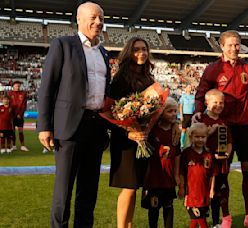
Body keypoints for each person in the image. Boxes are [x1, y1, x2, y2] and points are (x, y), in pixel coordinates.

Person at [37, 2, 111, 227]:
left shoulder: (104, 53)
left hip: (96, 128)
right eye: (93, 17)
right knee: (63, 192)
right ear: (79, 19)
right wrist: (44, 126)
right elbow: (47, 86)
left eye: (101, 18)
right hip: (69, 128)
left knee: (88, 193)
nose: (98, 22)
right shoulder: (63, 45)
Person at [194, 30, 248, 228]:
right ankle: (226, 218)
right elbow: (201, 94)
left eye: (237, 45)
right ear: (222, 46)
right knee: (222, 173)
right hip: (222, 128)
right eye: (230, 45)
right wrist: (199, 112)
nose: (234, 48)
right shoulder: (212, 69)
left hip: (244, 127)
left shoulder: (247, 69)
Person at [108, 36, 155, 228]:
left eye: (144, 49)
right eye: (136, 49)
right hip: (125, 140)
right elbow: (112, 111)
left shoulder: (148, 78)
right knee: (128, 188)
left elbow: (154, 107)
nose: (141, 53)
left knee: (135, 187)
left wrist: (145, 129)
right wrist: (129, 132)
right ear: (129, 52)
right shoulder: (120, 78)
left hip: (142, 139)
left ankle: (129, 225)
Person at [142, 98, 181, 228]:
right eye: (170, 111)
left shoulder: (176, 132)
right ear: (161, 113)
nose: (174, 114)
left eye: (175, 111)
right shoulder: (152, 131)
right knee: (154, 207)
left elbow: (177, 155)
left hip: (168, 177)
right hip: (154, 177)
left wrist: (176, 175)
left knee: (168, 206)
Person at [198, 89, 233, 228]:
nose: (219, 105)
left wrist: (227, 154)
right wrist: (211, 130)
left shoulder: (224, 121)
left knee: (218, 193)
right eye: (215, 102)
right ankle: (202, 221)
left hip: (220, 165)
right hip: (205, 165)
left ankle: (216, 221)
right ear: (207, 103)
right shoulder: (201, 120)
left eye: (221, 103)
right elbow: (197, 141)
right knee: (204, 193)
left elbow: (229, 142)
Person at [179, 122, 216, 228]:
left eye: (203, 137)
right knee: (199, 218)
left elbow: (213, 174)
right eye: (197, 136)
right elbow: (181, 172)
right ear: (191, 137)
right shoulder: (186, 153)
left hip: (204, 192)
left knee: (198, 218)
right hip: (191, 193)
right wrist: (182, 188)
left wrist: (212, 189)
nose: (200, 139)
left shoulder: (208, 154)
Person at [8, 81, 28, 151]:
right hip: (12, 116)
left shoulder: (23, 93)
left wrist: (20, 113)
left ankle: (22, 145)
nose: (18, 87)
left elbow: (24, 105)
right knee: (12, 131)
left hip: (20, 116)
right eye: (16, 86)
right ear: (13, 86)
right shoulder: (9, 93)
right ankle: (13, 145)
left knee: (20, 131)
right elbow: (8, 104)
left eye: (19, 86)